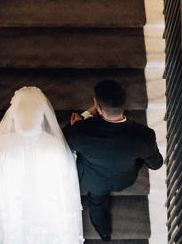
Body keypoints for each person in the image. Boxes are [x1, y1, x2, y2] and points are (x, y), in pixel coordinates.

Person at [63, 79, 163, 242]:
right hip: (124, 179)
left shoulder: (81, 132)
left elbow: (63, 140)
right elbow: (156, 164)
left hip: (94, 182)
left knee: (97, 203)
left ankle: (104, 234)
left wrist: (85, 116)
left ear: (99, 110)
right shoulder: (144, 135)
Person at [0, 86, 84, 244]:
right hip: (48, 201)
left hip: (15, 201)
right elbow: (65, 179)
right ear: (42, 115)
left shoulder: (4, 143)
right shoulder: (53, 144)